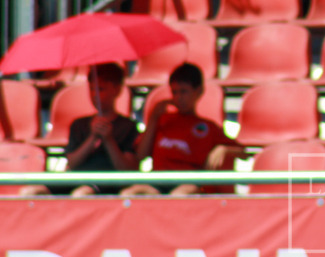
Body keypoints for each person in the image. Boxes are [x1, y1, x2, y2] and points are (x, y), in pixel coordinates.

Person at [19, 63, 140, 197]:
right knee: (32, 192)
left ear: (117, 90)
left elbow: (126, 170)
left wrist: (108, 140)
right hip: (77, 178)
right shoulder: (79, 125)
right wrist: (92, 138)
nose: (95, 94)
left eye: (101, 89)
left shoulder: (128, 126)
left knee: (82, 194)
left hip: (107, 182)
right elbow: (72, 163)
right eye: (92, 89)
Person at [126, 62, 246, 196]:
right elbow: (141, 156)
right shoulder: (162, 120)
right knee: (130, 194)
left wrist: (225, 149)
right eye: (174, 92)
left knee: (180, 195)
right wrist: (153, 118)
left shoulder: (208, 127)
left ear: (199, 91)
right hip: (158, 180)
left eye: (183, 92)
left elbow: (245, 153)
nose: (178, 98)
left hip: (188, 181)